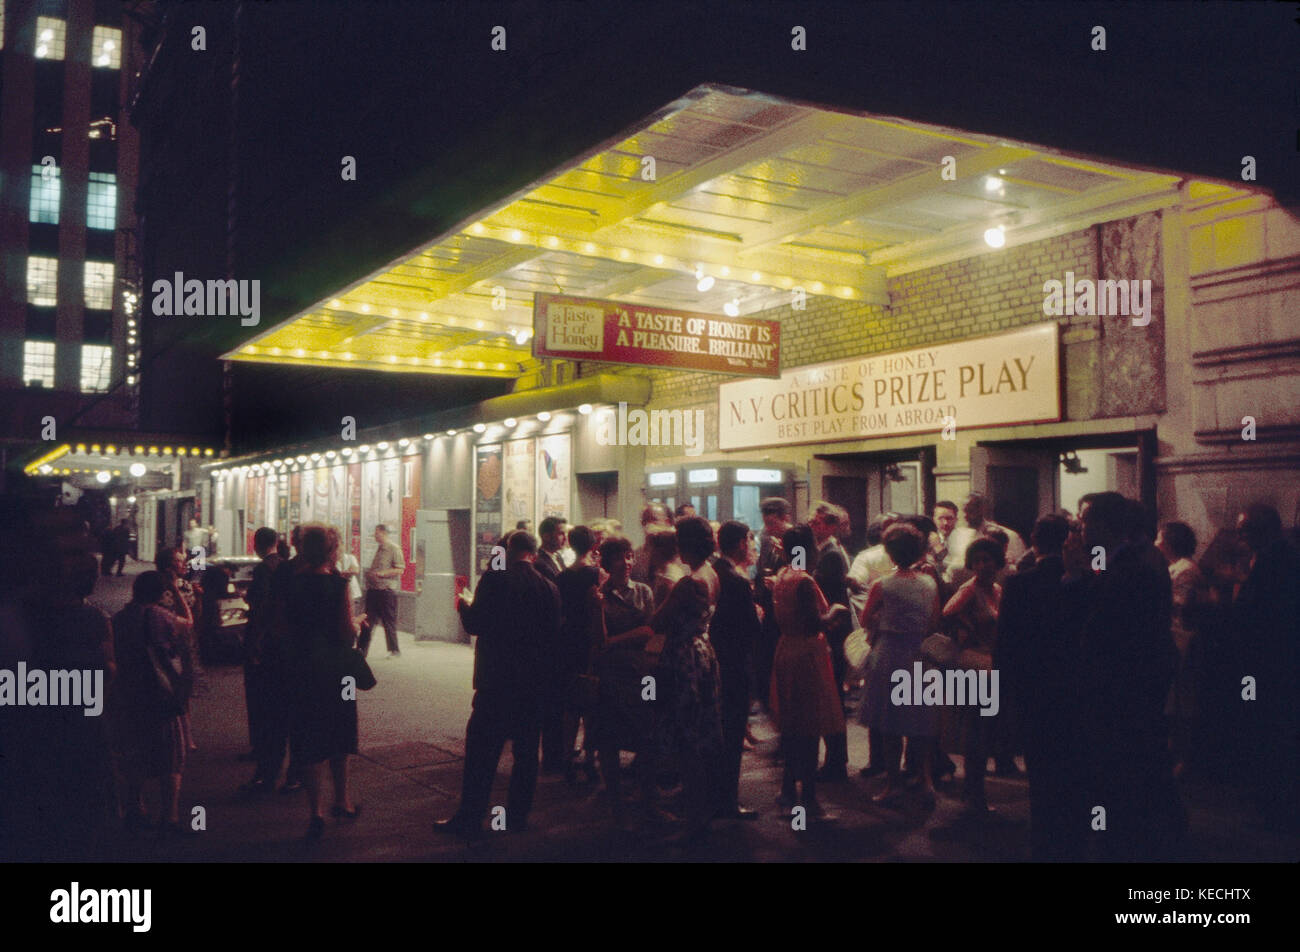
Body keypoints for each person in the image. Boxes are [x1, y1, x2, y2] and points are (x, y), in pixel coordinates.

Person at [1061, 492, 1183, 860]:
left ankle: (1132, 841)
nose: (1079, 530)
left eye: (1083, 522)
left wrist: (1074, 577)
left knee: (1123, 765)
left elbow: (1101, 624)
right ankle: (1154, 833)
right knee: (1142, 762)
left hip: (1123, 685)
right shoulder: (1132, 557)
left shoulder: (1133, 566)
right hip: (1136, 681)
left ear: (1102, 525)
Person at [437, 530, 561, 838]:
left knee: (482, 751)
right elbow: (554, 636)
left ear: (509, 549)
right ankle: (517, 818)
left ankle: (470, 817)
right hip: (533, 686)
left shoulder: (495, 579)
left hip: (497, 681)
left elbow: (476, 623)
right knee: (527, 753)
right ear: (532, 553)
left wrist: (464, 606)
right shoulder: (549, 588)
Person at [995, 512, 1082, 860]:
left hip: (1031, 686)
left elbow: (1006, 643)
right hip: (1071, 685)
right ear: (1067, 541)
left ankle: (1045, 838)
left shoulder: (1018, 584)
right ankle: (1072, 834)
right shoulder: (1082, 581)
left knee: (1040, 766)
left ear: (1033, 540)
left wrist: (1002, 689)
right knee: (1071, 763)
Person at [282, 525, 362, 839]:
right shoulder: (339, 584)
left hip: (302, 669)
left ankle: (314, 811)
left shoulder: (292, 584)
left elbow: (281, 627)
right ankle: (342, 800)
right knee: (340, 731)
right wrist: (357, 622)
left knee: (308, 734)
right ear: (332, 550)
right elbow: (346, 632)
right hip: (337, 670)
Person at [859, 523, 940, 804]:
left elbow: (864, 619)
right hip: (919, 653)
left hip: (890, 653)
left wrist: (884, 619)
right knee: (920, 721)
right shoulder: (929, 583)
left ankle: (892, 784)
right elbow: (934, 622)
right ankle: (924, 778)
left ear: (890, 553)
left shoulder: (882, 585)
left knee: (890, 723)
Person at [1229, 504, 1299, 828]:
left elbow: (1263, 613)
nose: (1240, 536)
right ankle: (1262, 788)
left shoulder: (1277, 559)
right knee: (1257, 719)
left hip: (1266, 664)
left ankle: (1271, 798)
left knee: (1267, 723)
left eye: (1244, 529)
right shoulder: (1273, 555)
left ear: (1263, 529)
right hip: (1261, 662)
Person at [770, 525, 845, 820]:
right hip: (806, 655)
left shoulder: (781, 577)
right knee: (810, 726)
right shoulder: (803, 581)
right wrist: (835, 613)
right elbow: (814, 622)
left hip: (786, 648)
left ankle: (788, 789)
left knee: (792, 723)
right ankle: (809, 801)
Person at [111, 571, 194, 836]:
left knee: (134, 754)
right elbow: (189, 624)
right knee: (171, 758)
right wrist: (178, 592)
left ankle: (135, 808)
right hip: (160, 695)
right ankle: (169, 818)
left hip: (128, 694)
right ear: (161, 592)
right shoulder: (160, 616)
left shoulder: (119, 618)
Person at [590, 535, 657, 826]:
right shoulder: (598, 595)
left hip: (641, 673)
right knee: (608, 737)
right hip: (611, 673)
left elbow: (649, 631)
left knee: (647, 735)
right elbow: (598, 640)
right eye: (620, 557)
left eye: (629, 556)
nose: (627, 562)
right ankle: (615, 799)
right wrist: (596, 608)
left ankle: (648, 799)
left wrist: (616, 639)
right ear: (607, 562)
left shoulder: (643, 591)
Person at [655, 576, 724, 844]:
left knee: (689, 758)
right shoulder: (701, 629)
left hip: (685, 688)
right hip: (700, 677)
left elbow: (686, 692)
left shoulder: (681, 637)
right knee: (698, 758)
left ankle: (695, 824)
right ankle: (699, 819)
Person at [942, 537, 1004, 813]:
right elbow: (948, 611)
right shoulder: (970, 590)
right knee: (976, 730)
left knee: (984, 730)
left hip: (991, 662)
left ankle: (974, 793)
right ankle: (973, 794)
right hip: (974, 665)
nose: (981, 565)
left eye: (986, 559)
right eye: (976, 560)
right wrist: (965, 629)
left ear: (997, 561)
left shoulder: (997, 589)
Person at [709, 521, 762, 820]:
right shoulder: (737, 580)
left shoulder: (713, 570)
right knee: (731, 734)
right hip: (734, 665)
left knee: (718, 732)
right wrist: (758, 613)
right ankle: (727, 801)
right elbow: (750, 630)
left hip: (714, 662)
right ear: (742, 542)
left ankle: (713, 794)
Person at [1155, 521, 1206, 778]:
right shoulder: (1174, 568)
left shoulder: (1185, 570)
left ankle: (1184, 758)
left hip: (1183, 639)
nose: (1156, 543)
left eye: (1159, 537)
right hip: (1175, 638)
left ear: (1169, 542)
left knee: (1182, 701)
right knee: (1173, 701)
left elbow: (1185, 603)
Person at [552, 525, 602, 782]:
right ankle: (590, 757)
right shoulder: (596, 575)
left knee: (570, 705)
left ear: (571, 545)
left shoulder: (561, 577)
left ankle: (566, 756)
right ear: (593, 546)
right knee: (592, 702)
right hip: (590, 642)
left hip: (568, 643)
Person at [810, 502, 855, 782]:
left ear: (830, 525)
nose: (813, 527)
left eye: (817, 523)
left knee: (833, 697)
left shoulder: (831, 555)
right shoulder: (826, 552)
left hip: (834, 631)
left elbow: (825, 591)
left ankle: (837, 760)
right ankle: (835, 758)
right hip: (832, 629)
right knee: (831, 696)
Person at [240, 527, 285, 795]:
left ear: (257, 544)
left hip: (262, 640)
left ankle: (263, 759)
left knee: (259, 700)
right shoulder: (285, 567)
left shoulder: (262, 570)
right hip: (281, 644)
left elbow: (260, 605)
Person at [753, 497, 792, 716]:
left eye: (772, 524)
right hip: (768, 604)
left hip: (785, 610)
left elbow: (801, 571)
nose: (768, 529)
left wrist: (779, 581)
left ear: (785, 518)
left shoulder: (796, 541)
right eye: (766, 523)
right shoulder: (766, 539)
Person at [947, 492, 1027, 577]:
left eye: (970, 511)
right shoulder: (956, 535)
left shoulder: (1008, 535)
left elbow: (1020, 566)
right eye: (963, 511)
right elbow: (950, 563)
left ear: (982, 509)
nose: (965, 516)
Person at [359, 524, 404, 659]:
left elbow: (400, 569)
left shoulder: (394, 549)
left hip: (386, 591)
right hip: (373, 590)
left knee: (388, 621)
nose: (375, 536)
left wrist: (382, 574)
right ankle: (362, 649)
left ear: (384, 533)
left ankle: (394, 650)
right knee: (368, 621)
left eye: (377, 533)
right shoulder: (379, 549)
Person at [646, 527, 687, 608]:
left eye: (651, 549)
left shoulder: (666, 580)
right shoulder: (676, 571)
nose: (649, 554)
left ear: (657, 551)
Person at [535, 516, 568, 583]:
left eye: (565, 533)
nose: (565, 538)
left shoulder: (558, 556)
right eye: (561, 534)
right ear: (546, 536)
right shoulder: (539, 562)